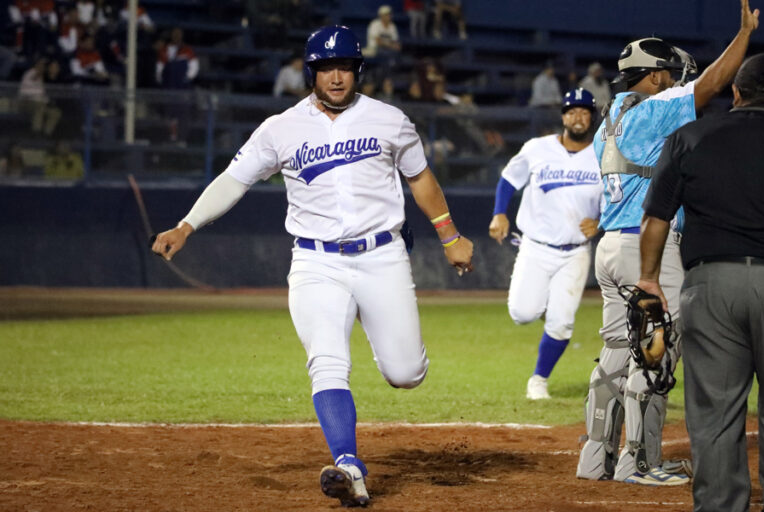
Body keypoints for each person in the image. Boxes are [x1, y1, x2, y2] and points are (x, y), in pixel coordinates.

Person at [151, 24, 474, 508]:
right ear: (311, 72)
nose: (337, 77)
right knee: (326, 360)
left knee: (406, 372)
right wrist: (186, 225)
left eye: (344, 66)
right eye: (326, 68)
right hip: (315, 261)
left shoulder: (390, 120)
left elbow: (421, 178)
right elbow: (233, 180)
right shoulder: (281, 128)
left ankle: (385, 350)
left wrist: (450, 234)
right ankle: (349, 464)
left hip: (383, 255)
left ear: (358, 70)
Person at [576, 0, 760, 486]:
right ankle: (638, 462)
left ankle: (595, 459)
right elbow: (714, 85)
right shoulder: (655, 109)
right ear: (653, 77)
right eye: (669, 73)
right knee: (655, 351)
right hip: (645, 245)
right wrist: (743, 36)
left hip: (610, 247)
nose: (676, 80)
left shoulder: (610, 115)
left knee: (617, 352)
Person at [638, 53, 764, 512]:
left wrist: (649, 280)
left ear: (736, 92)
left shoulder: (690, 136)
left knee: (715, 415)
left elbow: (655, 218)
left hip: (710, 287)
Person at [488, 88, 602, 400]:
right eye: (571, 111)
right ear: (563, 116)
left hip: (576, 251)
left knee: (562, 323)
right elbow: (509, 180)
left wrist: (601, 222)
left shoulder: (604, 155)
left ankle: (538, 379)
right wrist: (500, 213)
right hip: (535, 246)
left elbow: (618, 198)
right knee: (522, 313)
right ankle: (544, 305)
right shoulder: (537, 148)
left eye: (584, 111)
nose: (577, 117)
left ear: (592, 117)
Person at [18, 57, 62, 136]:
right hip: (27, 103)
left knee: (55, 112)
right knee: (39, 107)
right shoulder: (30, 73)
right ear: (36, 65)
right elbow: (25, 92)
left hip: (41, 104)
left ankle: (46, 134)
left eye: (44, 65)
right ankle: (36, 133)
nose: (43, 67)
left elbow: (46, 94)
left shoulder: (45, 77)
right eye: (41, 64)